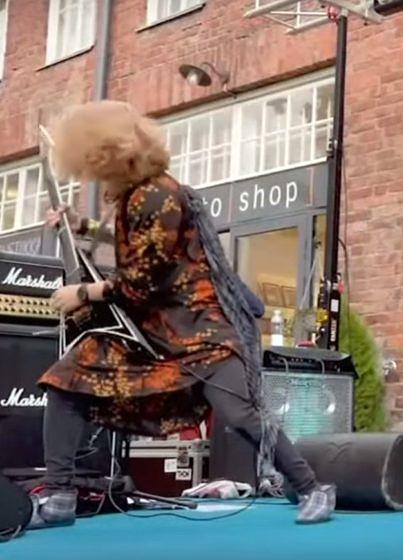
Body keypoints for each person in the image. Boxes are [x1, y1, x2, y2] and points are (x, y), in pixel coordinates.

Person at [31, 100, 335, 528]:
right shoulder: (141, 195)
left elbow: (143, 281)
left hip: (203, 332)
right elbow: (139, 243)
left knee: (240, 414)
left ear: (107, 156)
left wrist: (82, 293)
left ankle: (312, 487)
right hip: (159, 334)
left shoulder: (157, 195)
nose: (89, 176)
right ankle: (60, 494)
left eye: (89, 165)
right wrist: (81, 226)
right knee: (67, 381)